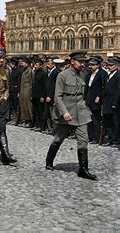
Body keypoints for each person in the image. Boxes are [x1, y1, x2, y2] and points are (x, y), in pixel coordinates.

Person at [46, 51, 97, 180]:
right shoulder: (62, 76)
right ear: (72, 61)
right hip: (66, 113)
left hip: (81, 113)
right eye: (80, 62)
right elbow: (57, 97)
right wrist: (64, 112)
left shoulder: (84, 75)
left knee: (83, 140)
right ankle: (49, 161)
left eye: (84, 62)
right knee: (58, 139)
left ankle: (83, 169)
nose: (83, 64)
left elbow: (84, 94)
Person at [85, 57, 108, 144]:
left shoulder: (102, 73)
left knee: (96, 120)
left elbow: (104, 87)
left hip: (96, 100)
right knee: (89, 119)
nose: (90, 66)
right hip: (89, 99)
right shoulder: (89, 74)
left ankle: (96, 137)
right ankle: (90, 137)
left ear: (98, 65)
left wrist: (99, 96)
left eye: (92, 65)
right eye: (90, 65)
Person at [102, 57, 120, 146]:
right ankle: (110, 138)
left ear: (117, 66)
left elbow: (118, 91)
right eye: (108, 65)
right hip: (107, 101)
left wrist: (115, 103)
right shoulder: (110, 74)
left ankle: (116, 140)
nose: (109, 67)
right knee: (108, 121)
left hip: (113, 102)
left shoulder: (118, 75)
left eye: (111, 65)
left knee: (115, 122)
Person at [45, 58, 63, 133]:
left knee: (53, 113)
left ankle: (54, 129)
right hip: (47, 95)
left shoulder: (56, 72)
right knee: (48, 113)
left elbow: (54, 86)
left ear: (53, 64)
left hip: (51, 96)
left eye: (49, 63)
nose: (47, 65)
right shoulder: (50, 71)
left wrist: (50, 96)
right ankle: (50, 128)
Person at [32, 58, 48, 132]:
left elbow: (45, 86)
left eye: (37, 65)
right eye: (35, 64)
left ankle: (41, 126)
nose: (35, 66)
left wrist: (43, 96)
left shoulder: (44, 74)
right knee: (36, 111)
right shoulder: (36, 72)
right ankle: (37, 125)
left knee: (40, 111)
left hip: (40, 95)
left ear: (41, 66)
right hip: (35, 94)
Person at [18, 56, 34, 127]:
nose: (21, 64)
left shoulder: (30, 71)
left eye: (23, 63)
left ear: (27, 63)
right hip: (23, 91)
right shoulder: (24, 71)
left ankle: (30, 121)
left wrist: (31, 93)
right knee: (23, 106)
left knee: (28, 107)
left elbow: (32, 83)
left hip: (27, 91)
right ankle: (25, 120)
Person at [7, 57, 21, 124]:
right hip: (11, 90)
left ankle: (16, 120)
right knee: (12, 105)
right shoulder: (12, 70)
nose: (10, 65)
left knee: (16, 105)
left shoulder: (18, 71)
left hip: (15, 90)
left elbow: (19, 82)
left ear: (13, 64)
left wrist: (18, 91)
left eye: (11, 64)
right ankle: (12, 119)